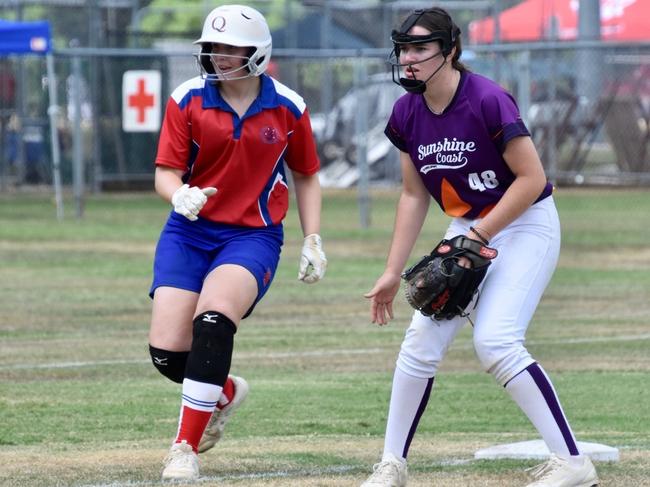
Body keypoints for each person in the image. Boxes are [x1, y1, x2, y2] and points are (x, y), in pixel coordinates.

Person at [361, 7, 598, 487]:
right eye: (403, 49)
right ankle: (392, 464)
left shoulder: (487, 99)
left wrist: (481, 235)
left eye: (420, 48)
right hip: (468, 226)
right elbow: (413, 195)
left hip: (525, 222)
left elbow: (531, 180)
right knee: (420, 343)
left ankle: (573, 464)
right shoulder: (406, 110)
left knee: (495, 341)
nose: (408, 59)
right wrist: (392, 270)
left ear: (450, 50)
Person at [147, 4, 327, 482]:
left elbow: (307, 176)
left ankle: (184, 447)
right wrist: (179, 193)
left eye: (231, 48)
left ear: (258, 52)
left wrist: (312, 238)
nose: (220, 56)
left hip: (253, 235)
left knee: (212, 322)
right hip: (189, 232)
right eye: (213, 47)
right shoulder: (186, 98)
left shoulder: (288, 106)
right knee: (168, 354)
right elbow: (165, 172)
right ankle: (223, 392)